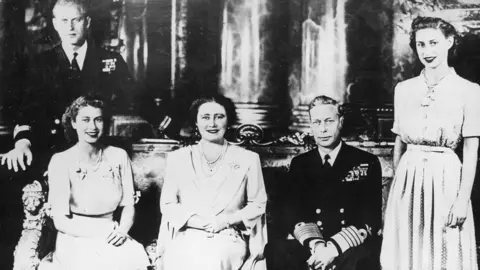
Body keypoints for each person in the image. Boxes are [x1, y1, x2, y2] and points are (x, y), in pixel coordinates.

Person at [380, 16, 480, 270]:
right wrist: (397, 188)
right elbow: (399, 143)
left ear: (449, 42)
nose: (427, 51)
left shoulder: (469, 91)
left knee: (444, 250)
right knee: (407, 250)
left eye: (433, 43)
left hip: (446, 178)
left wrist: (461, 199)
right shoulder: (403, 89)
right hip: (408, 179)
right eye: (421, 44)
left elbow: (470, 151)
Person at [265, 95, 383, 270]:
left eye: (329, 121)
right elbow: (292, 211)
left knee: (361, 258)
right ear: (311, 126)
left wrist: (333, 249)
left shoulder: (366, 161)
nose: (323, 129)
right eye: (317, 122)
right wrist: (317, 246)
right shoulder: (300, 163)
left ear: (340, 122)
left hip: (348, 246)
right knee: (277, 250)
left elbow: (370, 216)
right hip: (314, 244)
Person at [156, 95, 268, 270]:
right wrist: (198, 222)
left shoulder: (248, 159)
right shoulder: (178, 158)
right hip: (188, 233)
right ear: (196, 122)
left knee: (215, 259)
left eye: (219, 117)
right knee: (181, 257)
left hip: (227, 235)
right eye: (205, 117)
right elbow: (168, 204)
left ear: (228, 120)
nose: (212, 124)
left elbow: (258, 204)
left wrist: (226, 221)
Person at [37, 95, 149, 270]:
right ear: (73, 123)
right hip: (73, 239)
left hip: (113, 235)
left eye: (98, 120)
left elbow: (128, 206)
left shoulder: (119, 156)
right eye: (85, 120)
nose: (92, 127)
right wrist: (100, 235)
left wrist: (122, 231)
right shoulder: (61, 161)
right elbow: (60, 221)